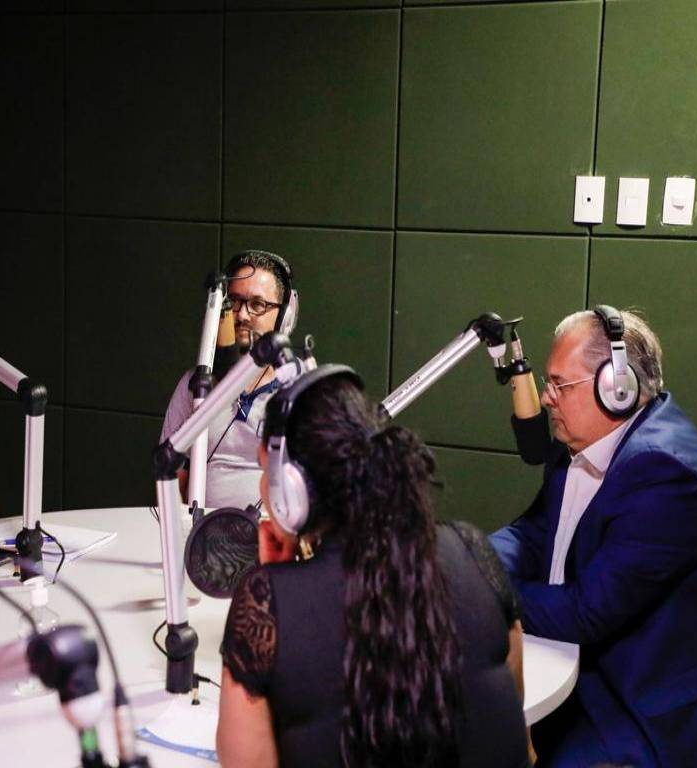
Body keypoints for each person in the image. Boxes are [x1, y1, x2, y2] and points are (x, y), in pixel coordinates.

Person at [217, 365, 529, 768]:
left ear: (292, 489)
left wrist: (276, 588)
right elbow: (511, 710)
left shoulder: (265, 603)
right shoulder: (474, 550)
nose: (264, 487)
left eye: (266, 471)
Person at [489, 307, 697, 767]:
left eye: (559, 385)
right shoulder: (584, 445)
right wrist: (473, 559)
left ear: (617, 387)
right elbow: (533, 533)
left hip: (657, 711)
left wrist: (484, 592)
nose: (546, 398)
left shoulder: (664, 473)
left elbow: (585, 611)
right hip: (603, 669)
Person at [160, 250, 301, 510]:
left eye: (257, 304)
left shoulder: (303, 390)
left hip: (272, 533)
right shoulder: (197, 385)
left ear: (285, 316)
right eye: (234, 301)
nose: (242, 315)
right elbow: (171, 478)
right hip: (202, 531)